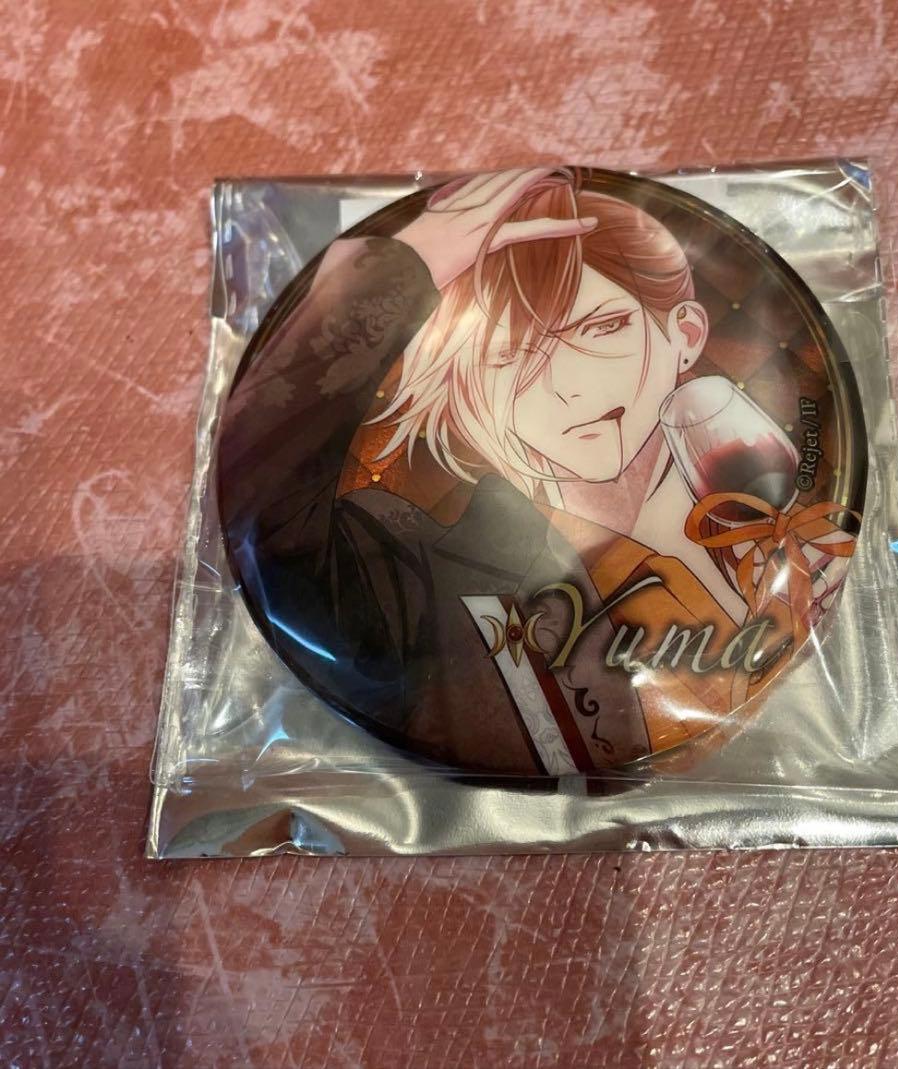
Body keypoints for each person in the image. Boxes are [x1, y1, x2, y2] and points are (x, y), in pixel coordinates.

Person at [218, 168, 783, 776]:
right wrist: (389, 277)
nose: (568, 388)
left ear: (685, 335)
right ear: (463, 382)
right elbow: (263, 504)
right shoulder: (413, 561)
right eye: (508, 353)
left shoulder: (764, 493)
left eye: (600, 328)